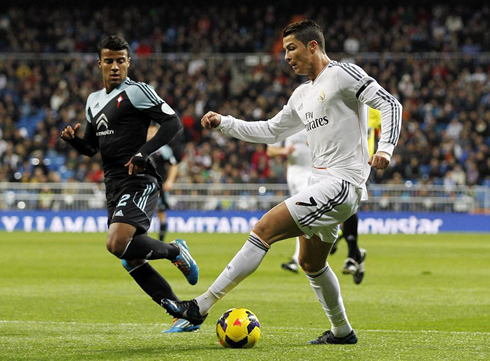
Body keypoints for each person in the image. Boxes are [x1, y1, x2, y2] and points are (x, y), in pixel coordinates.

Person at [161, 19, 402, 345]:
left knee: (263, 229)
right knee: (310, 263)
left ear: (313, 46)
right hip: (320, 185)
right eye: (285, 49)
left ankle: (200, 306)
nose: (287, 56)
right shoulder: (302, 94)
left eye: (292, 48)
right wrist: (225, 123)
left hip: (343, 184)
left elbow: (390, 104)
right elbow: (271, 131)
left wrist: (385, 149)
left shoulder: (343, 74)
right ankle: (342, 332)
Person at [60, 35, 199, 333]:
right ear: (99, 63)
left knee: (116, 243)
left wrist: (143, 151)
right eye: (108, 60)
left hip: (138, 178)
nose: (114, 66)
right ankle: (183, 316)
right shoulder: (93, 101)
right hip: (113, 184)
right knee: (129, 256)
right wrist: (74, 142)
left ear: (128, 62)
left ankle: (175, 252)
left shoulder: (137, 92)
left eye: (120, 60)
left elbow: (172, 122)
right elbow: (91, 147)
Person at [332, 107, 381, 284]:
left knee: (348, 205)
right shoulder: (341, 106)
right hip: (338, 161)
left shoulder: (373, 109)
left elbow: (389, 126)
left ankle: (352, 255)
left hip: (362, 163)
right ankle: (356, 254)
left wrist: (383, 150)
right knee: (342, 207)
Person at [267, 129, 312, 273]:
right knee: (302, 218)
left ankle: (297, 259)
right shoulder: (288, 123)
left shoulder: (314, 119)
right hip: (292, 177)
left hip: (310, 176)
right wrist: (283, 150)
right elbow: (270, 150)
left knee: (302, 217)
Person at [147, 124, 183, 242]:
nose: (151, 134)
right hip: (143, 185)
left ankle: (161, 240)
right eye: (149, 131)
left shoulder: (163, 149)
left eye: (154, 132)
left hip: (158, 186)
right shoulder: (139, 147)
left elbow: (174, 165)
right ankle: (140, 239)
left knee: (161, 212)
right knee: (143, 211)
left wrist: (170, 181)